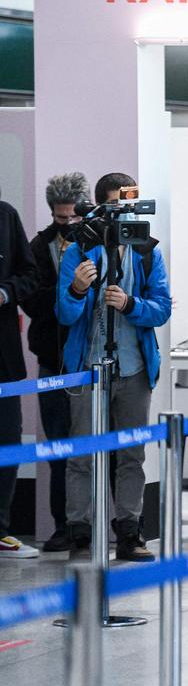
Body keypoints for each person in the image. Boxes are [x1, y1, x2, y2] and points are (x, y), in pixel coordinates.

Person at [57, 172, 173, 562]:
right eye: (112, 208)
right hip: (88, 367)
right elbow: (65, 313)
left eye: (125, 208)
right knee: (83, 454)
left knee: (131, 455)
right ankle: (81, 534)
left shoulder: (146, 252)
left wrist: (130, 305)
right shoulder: (78, 251)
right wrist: (76, 289)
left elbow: (161, 309)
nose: (119, 217)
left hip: (134, 368)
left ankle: (128, 531)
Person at [22, 173, 88, 553]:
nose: (66, 227)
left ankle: (104, 520)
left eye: (72, 219)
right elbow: (31, 300)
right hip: (52, 359)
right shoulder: (39, 245)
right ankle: (65, 524)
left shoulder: (99, 242)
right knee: (59, 445)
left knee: (96, 445)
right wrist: (69, 292)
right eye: (60, 220)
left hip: (90, 356)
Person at [0, 186, 39, 558]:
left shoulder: (6, 215)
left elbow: (30, 274)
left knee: (7, 439)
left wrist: (5, 292)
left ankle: (1, 529)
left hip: (3, 358)